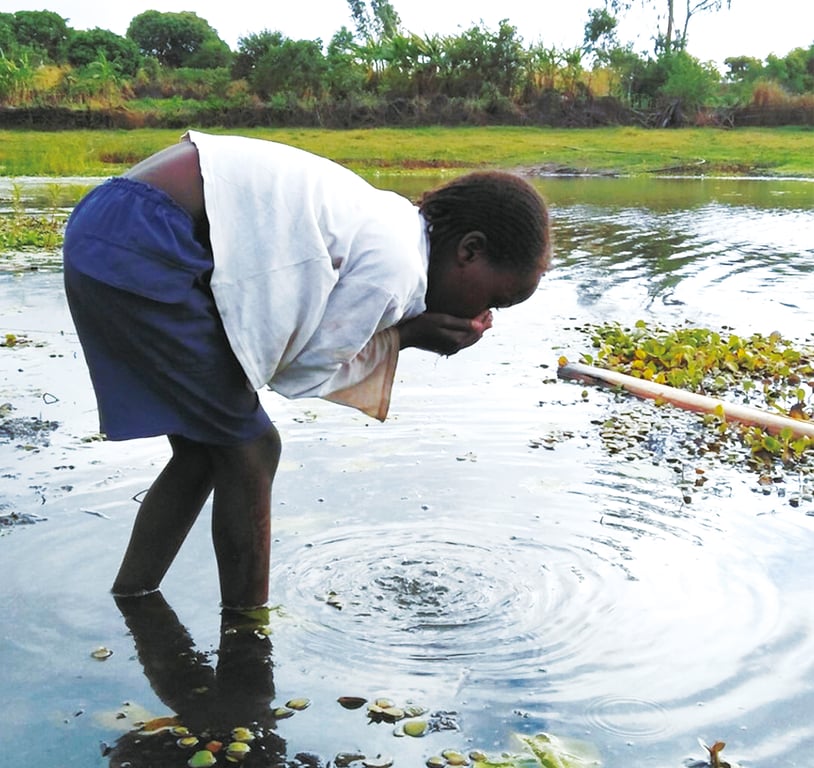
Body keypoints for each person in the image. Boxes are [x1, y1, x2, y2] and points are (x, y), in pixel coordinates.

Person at [62, 130, 551, 610]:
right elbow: (298, 373)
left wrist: (402, 334)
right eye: (495, 299)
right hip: (145, 235)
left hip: (115, 220)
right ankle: (249, 638)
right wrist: (406, 336)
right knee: (252, 448)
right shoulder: (397, 269)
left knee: (204, 449)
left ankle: (134, 596)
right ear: (469, 250)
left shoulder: (392, 225)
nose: (486, 314)